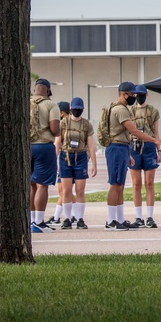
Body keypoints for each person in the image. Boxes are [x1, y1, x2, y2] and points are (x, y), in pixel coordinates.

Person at [103, 82, 161, 231]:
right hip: (117, 148)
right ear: (124, 94)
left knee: (119, 184)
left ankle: (119, 219)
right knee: (115, 184)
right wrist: (155, 140)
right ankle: (110, 221)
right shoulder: (121, 110)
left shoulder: (128, 109)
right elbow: (134, 131)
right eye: (132, 94)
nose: (134, 97)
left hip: (123, 147)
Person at [55, 97, 96, 230]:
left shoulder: (86, 124)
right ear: (70, 109)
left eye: (79, 110)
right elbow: (58, 143)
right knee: (66, 190)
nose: (77, 111)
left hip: (81, 157)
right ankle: (67, 218)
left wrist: (94, 164)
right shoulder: (63, 123)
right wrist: (54, 161)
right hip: (65, 156)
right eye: (75, 109)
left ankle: (79, 218)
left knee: (80, 190)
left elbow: (90, 145)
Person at [127, 85, 161, 228]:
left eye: (142, 94)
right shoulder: (130, 111)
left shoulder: (153, 111)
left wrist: (159, 151)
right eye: (137, 94)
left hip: (148, 147)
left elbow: (156, 132)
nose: (139, 97)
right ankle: (138, 217)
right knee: (136, 184)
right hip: (134, 147)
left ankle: (150, 217)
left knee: (149, 183)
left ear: (147, 95)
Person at [30, 78, 61, 233]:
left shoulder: (25, 102)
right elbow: (54, 129)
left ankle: (29, 220)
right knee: (42, 185)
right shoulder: (51, 105)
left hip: (26, 147)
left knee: (30, 184)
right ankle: (39, 221)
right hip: (43, 146)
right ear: (48, 90)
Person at [47, 100, 71, 226]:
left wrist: (54, 160)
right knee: (67, 191)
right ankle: (59, 215)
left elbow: (57, 144)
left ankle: (59, 217)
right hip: (74, 158)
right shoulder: (74, 123)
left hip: (63, 158)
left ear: (61, 113)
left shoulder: (61, 125)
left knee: (63, 190)